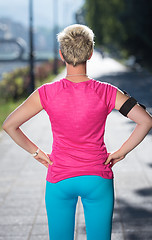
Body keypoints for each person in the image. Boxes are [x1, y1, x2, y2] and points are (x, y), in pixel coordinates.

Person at [2, 24, 152, 240]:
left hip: (59, 179)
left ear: (61, 54)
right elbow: (146, 121)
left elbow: (9, 125)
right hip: (97, 178)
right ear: (90, 53)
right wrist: (121, 152)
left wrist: (37, 153)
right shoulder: (108, 91)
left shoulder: (46, 92)